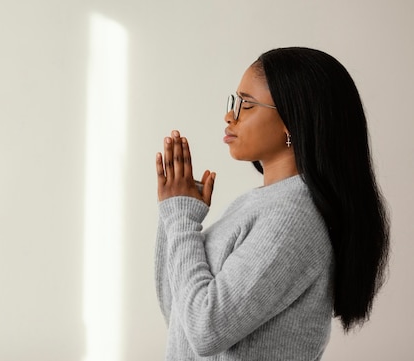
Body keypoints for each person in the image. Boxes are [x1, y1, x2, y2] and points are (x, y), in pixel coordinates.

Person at [154, 47, 390, 360]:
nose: (230, 115)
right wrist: (175, 212)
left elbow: (204, 331)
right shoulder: (259, 205)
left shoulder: (293, 218)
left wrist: (182, 220)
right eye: (234, 102)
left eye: (246, 105)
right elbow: (180, 319)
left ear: (292, 121)